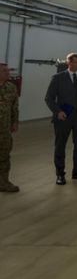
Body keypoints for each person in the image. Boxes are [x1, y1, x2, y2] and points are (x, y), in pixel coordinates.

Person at [44, 52, 77, 185]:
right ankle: (60, 174)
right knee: (60, 146)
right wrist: (58, 112)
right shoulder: (58, 78)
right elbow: (49, 98)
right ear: (69, 63)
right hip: (63, 117)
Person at [0, 62, 19, 193]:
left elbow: (14, 107)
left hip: (4, 129)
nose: (8, 73)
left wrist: (14, 122)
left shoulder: (11, 87)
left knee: (4, 156)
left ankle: (3, 183)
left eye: (8, 70)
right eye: (4, 71)